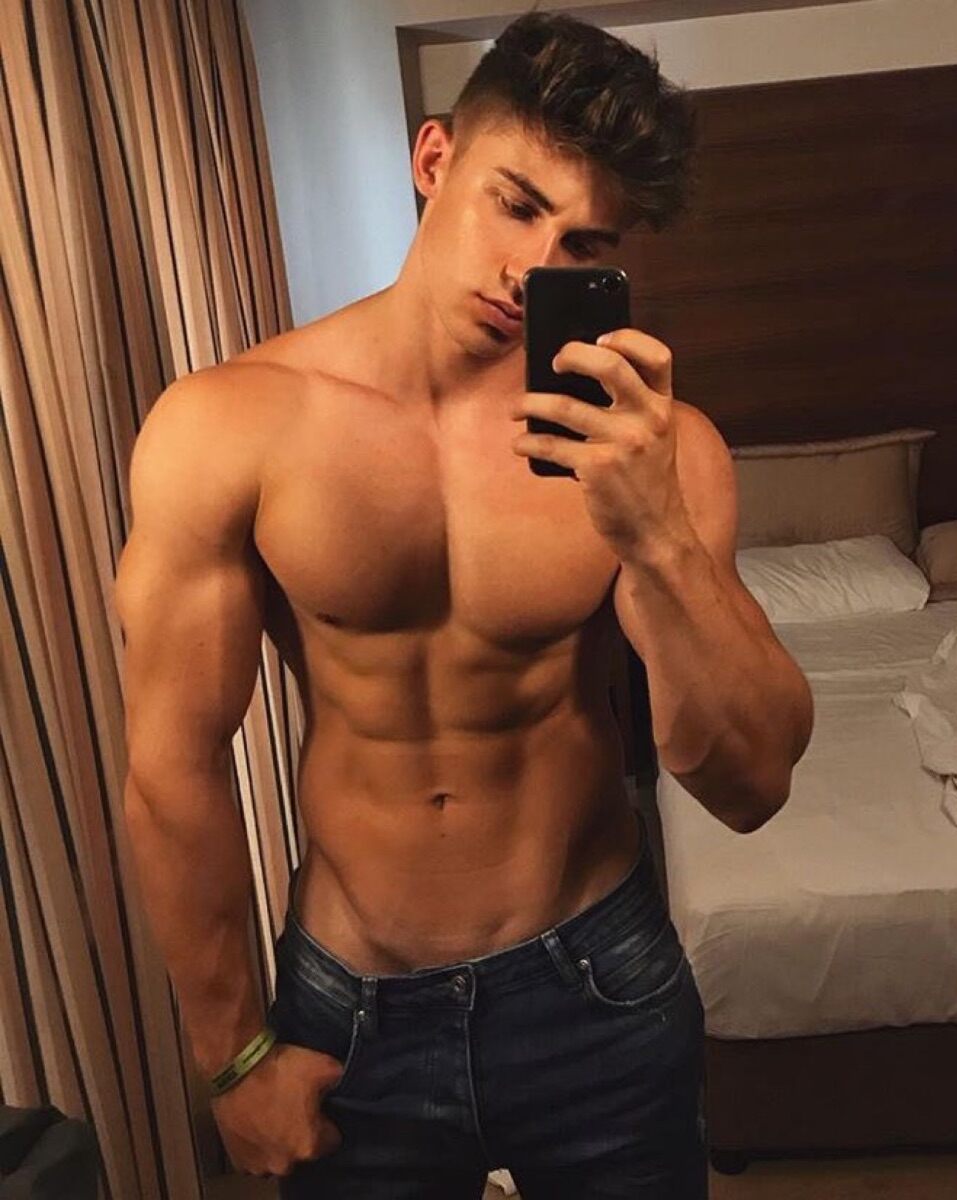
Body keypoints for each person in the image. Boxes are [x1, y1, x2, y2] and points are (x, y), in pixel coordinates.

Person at [114, 10, 813, 1198]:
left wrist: (653, 535)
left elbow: (749, 783)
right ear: (434, 159)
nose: (534, 269)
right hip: (350, 1006)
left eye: (584, 242)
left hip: (597, 982)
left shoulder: (653, 452)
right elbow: (172, 765)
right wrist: (232, 1060)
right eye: (516, 204)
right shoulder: (231, 425)